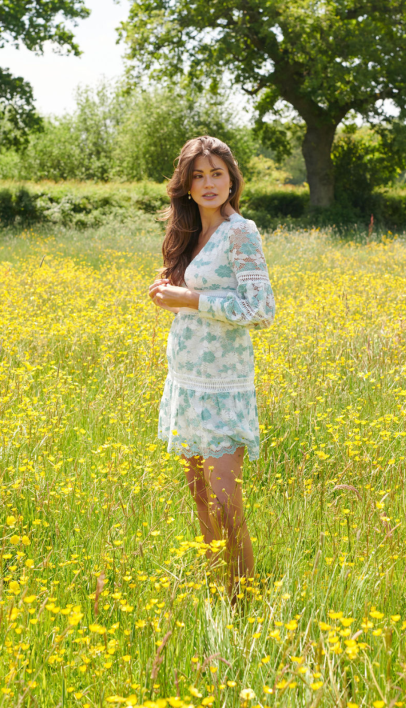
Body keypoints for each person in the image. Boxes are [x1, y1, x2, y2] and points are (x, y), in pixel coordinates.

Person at [148, 136, 276, 602]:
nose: (208, 183)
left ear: (231, 179)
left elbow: (261, 309)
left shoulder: (240, 231)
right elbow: (196, 299)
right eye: (198, 175)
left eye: (216, 173)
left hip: (223, 382)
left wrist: (190, 298)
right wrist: (169, 292)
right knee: (200, 496)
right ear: (185, 184)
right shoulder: (188, 233)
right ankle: (216, 590)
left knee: (225, 499)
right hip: (186, 378)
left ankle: (244, 599)